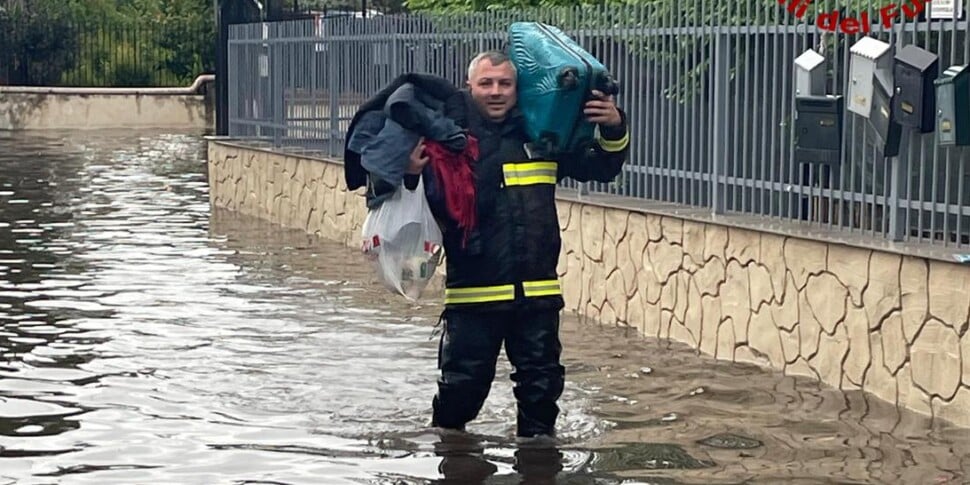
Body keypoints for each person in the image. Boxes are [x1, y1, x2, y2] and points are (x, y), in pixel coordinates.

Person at [405, 50, 631, 442]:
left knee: (542, 402)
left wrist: (613, 128)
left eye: (505, 84)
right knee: (460, 396)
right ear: (469, 86)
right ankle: (452, 460)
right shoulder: (447, 137)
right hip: (474, 296)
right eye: (486, 84)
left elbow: (601, 168)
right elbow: (392, 196)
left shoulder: (542, 133)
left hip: (538, 295)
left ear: (517, 88)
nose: (496, 92)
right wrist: (407, 173)